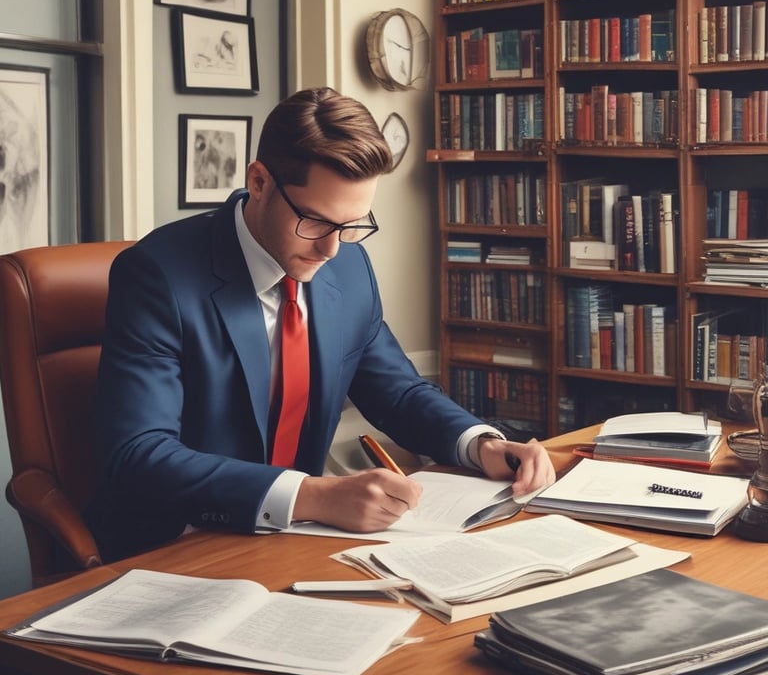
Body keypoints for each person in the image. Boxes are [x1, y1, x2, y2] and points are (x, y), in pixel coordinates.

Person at [87, 87, 555, 562]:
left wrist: (481, 445)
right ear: (260, 181)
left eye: (353, 224)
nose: (331, 249)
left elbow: (397, 392)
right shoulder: (156, 275)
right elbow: (139, 453)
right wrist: (314, 496)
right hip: (177, 544)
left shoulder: (348, 264)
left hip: (300, 538)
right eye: (315, 221)